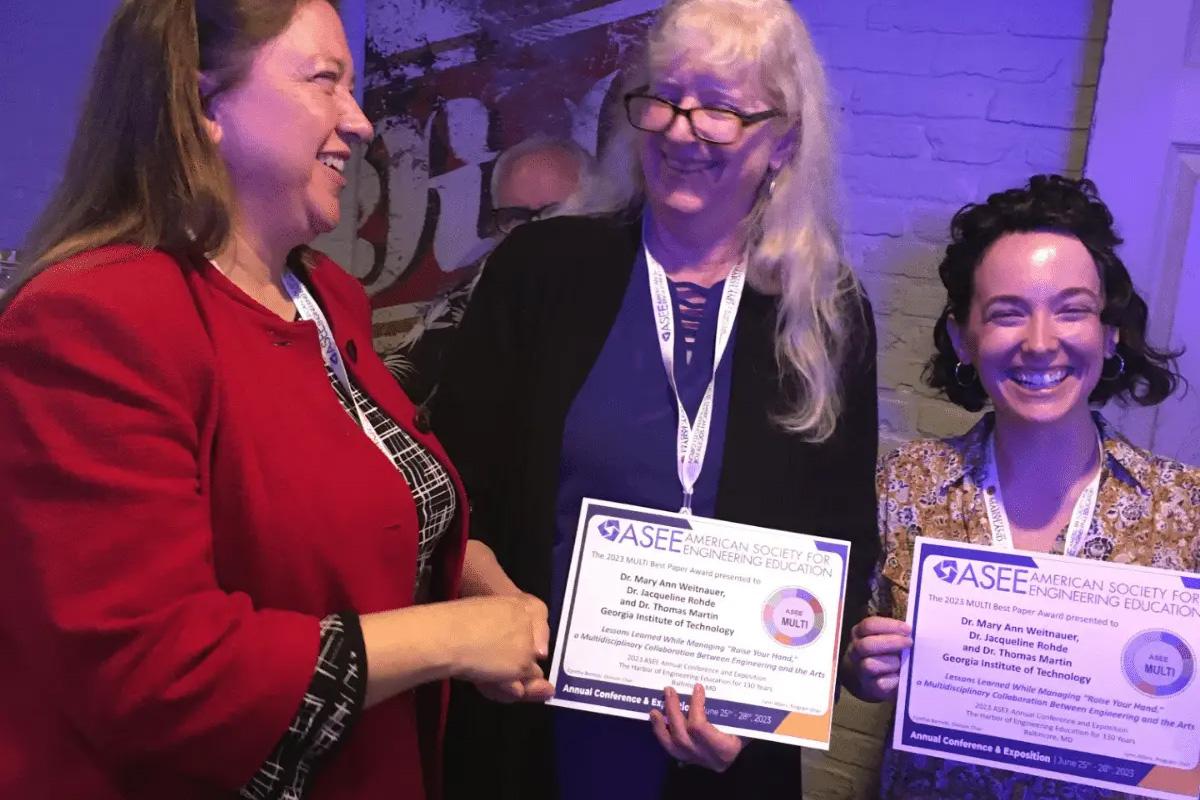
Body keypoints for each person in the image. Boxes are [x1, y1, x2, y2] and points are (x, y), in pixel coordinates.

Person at [0, 1, 551, 798]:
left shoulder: (325, 294)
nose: (360, 122)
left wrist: (457, 564)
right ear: (201, 106)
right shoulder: (92, 318)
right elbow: (155, 672)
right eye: (325, 80)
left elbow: (318, 521)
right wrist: (449, 637)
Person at [432, 0, 880, 797]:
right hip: (536, 727)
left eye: (718, 108)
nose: (679, 129)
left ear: (783, 135)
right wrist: (484, 593)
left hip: (723, 756)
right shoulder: (542, 269)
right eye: (664, 98)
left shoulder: (826, 311)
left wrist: (763, 709)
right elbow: (452, 493)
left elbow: (841, 538)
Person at [844, 174, 1199, 800]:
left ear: (1110, 331)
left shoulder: (1186, 508)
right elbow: (841, 647)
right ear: (963, 337)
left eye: (1072, 309)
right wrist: (860, 665)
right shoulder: (905, 484)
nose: (1040, 342)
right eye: (1008, 313)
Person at [386, 135, 613, 403]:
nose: (534, 233)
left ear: (597, 212)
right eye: (516, 218)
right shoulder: (467, 299)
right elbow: (392, 391)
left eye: (554, 215)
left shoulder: (632, 291)